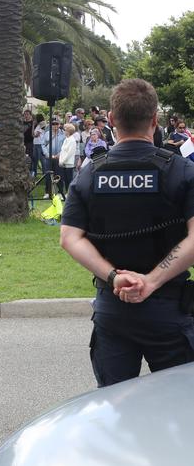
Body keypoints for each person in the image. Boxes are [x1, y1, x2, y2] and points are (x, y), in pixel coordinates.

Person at [60, 78, 194, 388]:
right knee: (179, 412)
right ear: (155, 119)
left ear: (110, 120)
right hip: (169, 309)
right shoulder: (181, 170)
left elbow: (69, 237)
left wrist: (114, 277)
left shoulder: (90, 172)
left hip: (114, 307)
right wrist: (152, 281)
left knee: (114, 410)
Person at [42, 119, 65, 198]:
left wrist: (60, 154)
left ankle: (60, 192)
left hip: (59, 157)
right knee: (48, 174)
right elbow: (43, 145)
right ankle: (48, 192)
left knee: (59, 174)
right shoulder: (47, 134)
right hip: (49, 157)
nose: (55, 126)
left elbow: (65, 146)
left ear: (59, 125)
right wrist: (47, 154)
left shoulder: (63, 134)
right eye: (53, 124)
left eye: (56, 124)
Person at [58, 123, 77, 190]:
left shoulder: (72, 140)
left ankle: (69, 193)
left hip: (68, 163)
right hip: (63, 163)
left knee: (69, 179)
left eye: (65, 130)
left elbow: (69, 153)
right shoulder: (66, 139)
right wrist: (61, 161)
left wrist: (63, 161)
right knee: (65, 179)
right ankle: (66, 192)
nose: (64, 131)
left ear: (68, 131)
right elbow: (63, 151)